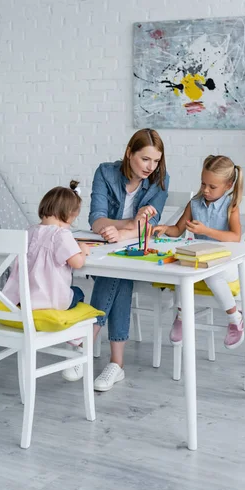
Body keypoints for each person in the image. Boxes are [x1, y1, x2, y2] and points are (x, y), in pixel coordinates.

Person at [62, 128, 169, 390]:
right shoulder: (105, 172)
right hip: (107, 245)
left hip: (136, 248)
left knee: (116, 274)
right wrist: (129, 224)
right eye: (145, 159)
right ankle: (116, 364)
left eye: (155, 161)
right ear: (129, 153)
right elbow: (96, 219)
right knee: (116, 276)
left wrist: (124, 232)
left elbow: (150, 225)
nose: (151, 167)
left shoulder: (159, 180)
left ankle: (87, 345)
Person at [154, 154, 244, 349]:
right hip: (201, 263)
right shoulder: (194, 204)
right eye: (203, 183)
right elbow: (178, 229)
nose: (205, 190)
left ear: (228, 185)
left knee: (213, 276)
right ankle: (181, 316)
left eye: (212, 187)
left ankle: (235, 318)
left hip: (226, 265)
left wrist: (206, 231)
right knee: (180, 269)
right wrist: (164, 229)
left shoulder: (231, 206)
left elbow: (235, 237)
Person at [3, 180, 89, 313]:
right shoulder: (61, 235)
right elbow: (77, 263)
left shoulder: (28, 231)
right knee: (78, 293)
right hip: (50, 301)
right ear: (68, 215)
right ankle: (67, 330)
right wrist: (82, 250)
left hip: (23, 298)